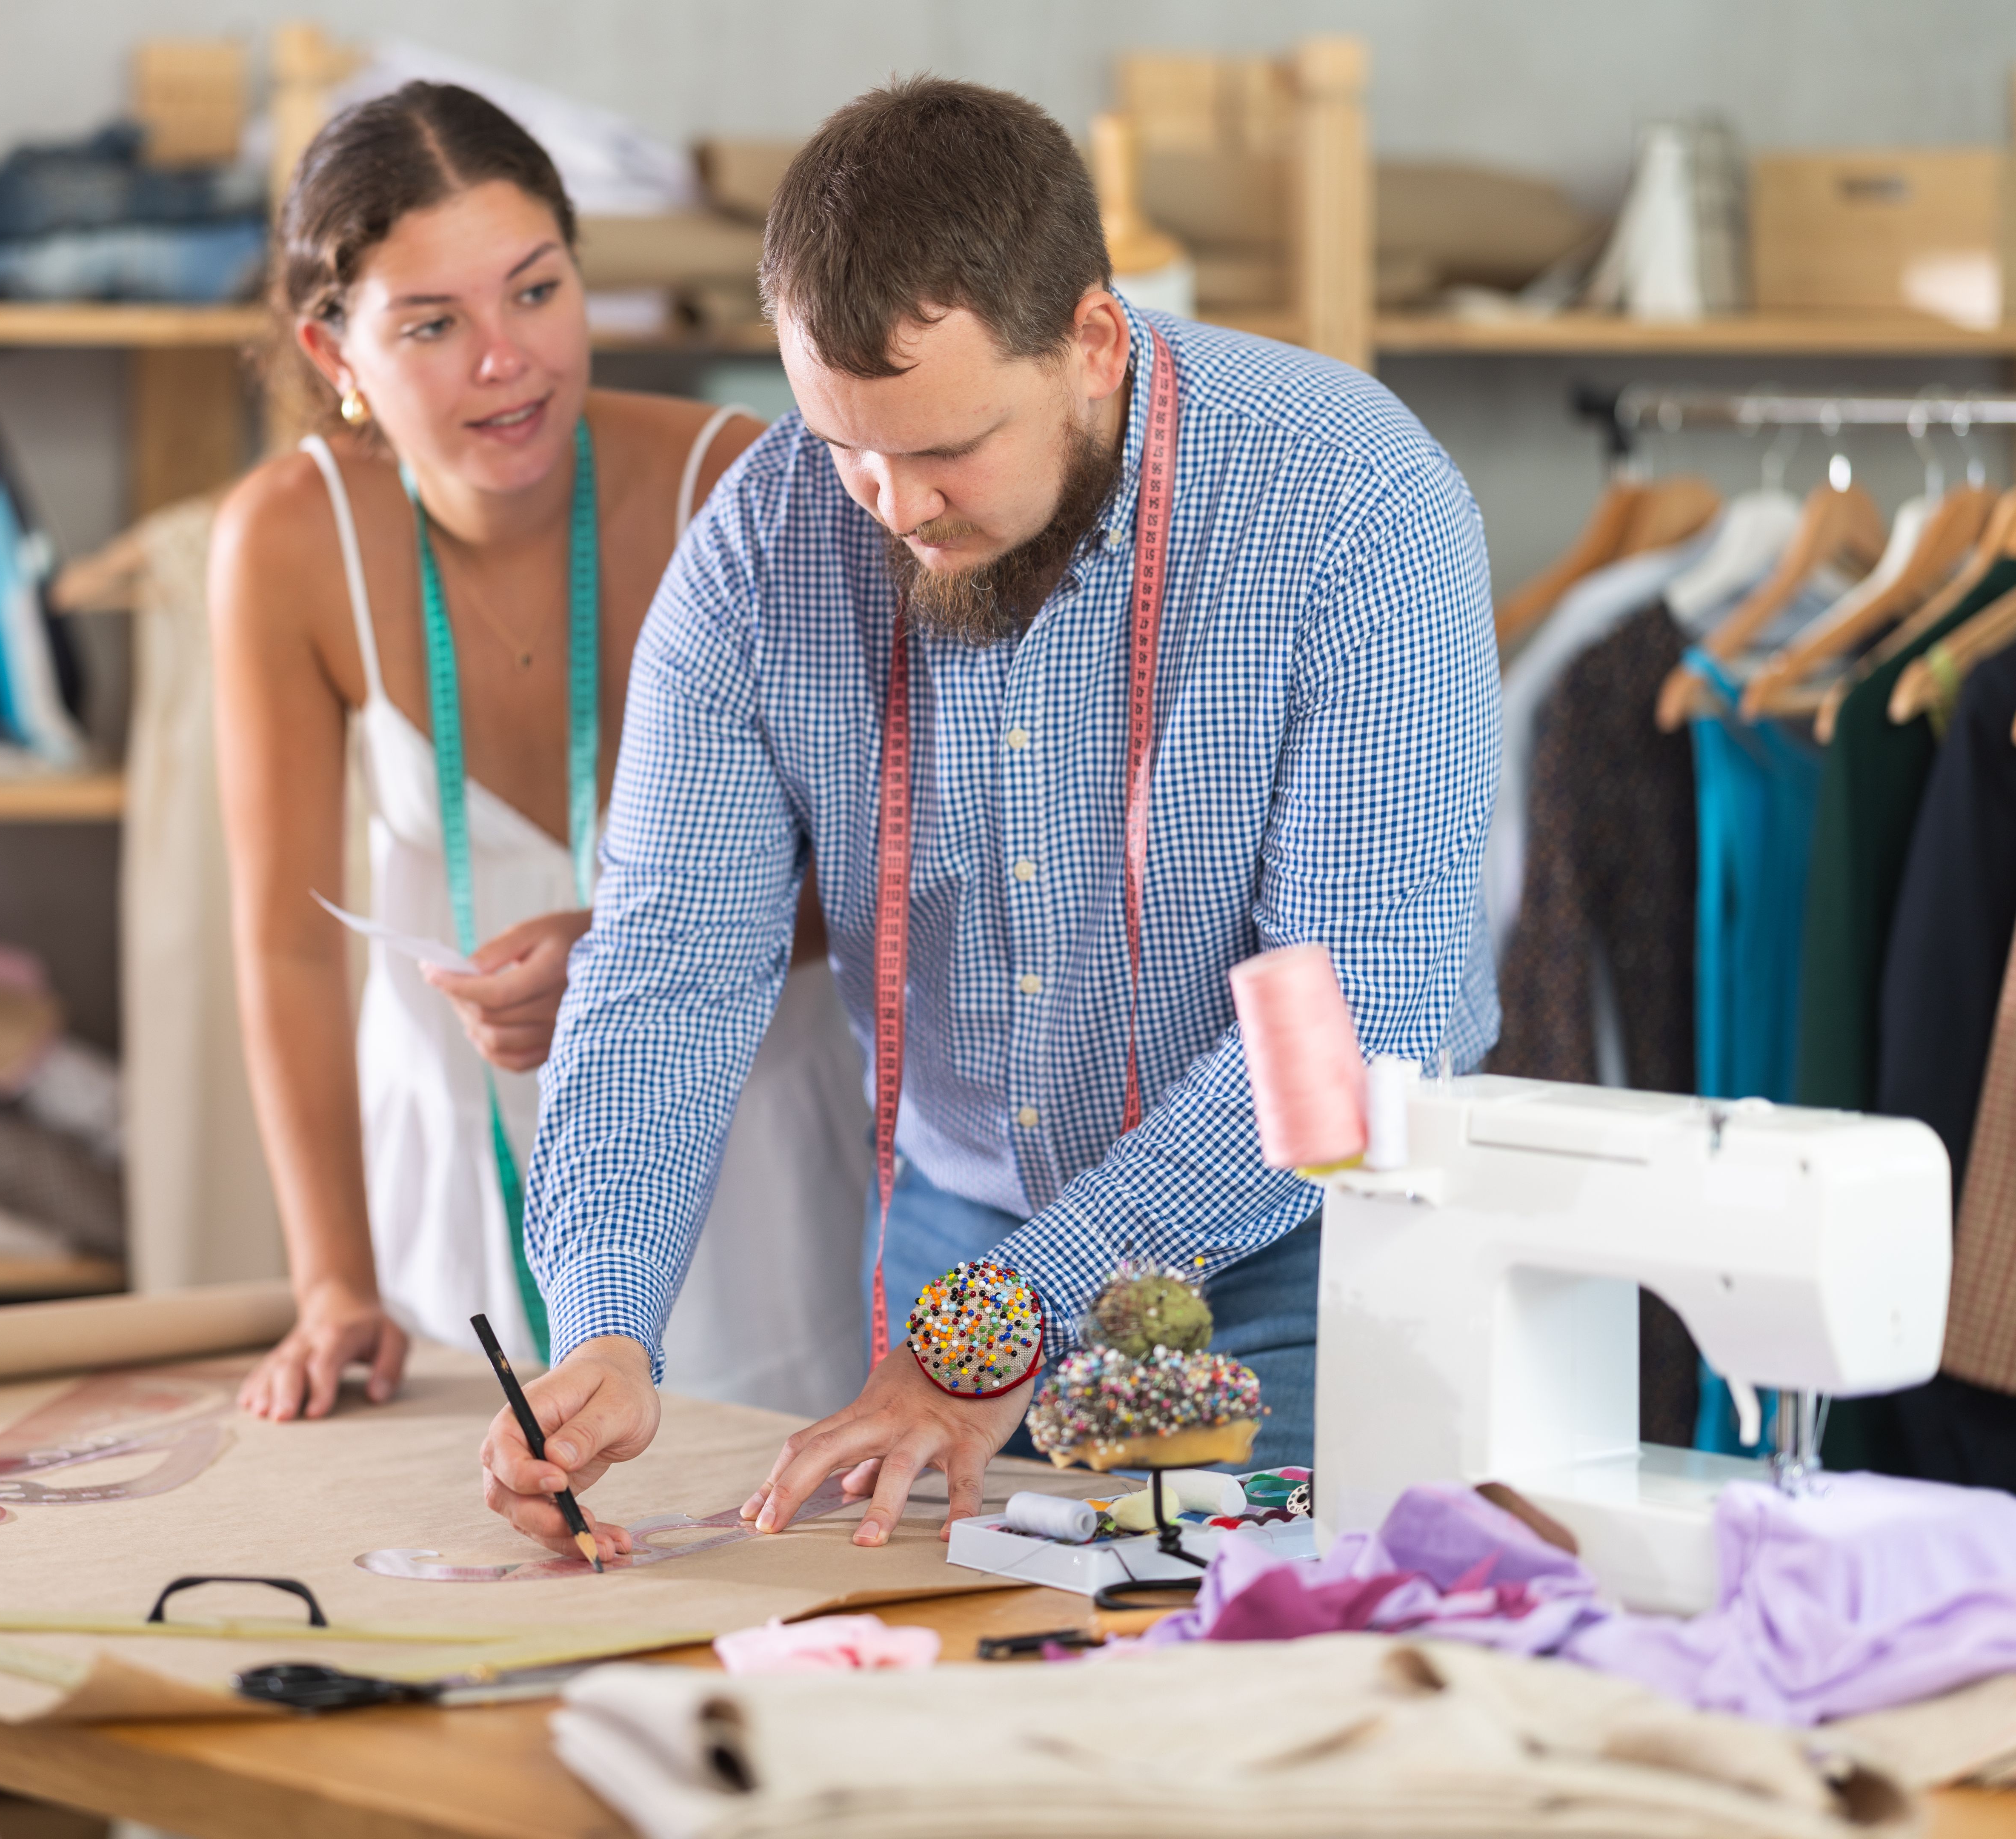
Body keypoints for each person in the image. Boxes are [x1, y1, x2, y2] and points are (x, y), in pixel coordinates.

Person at [479, 77, 1498, 1560]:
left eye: (948, 447)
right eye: (845, 442)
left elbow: (1348, 1033)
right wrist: (608, 1328)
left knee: (1223, 1693)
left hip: (1298, 1248)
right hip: (957, 1248)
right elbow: (668, 966)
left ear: (1091, 340)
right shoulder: (765, 544)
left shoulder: (1351, 507)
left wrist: (992, 1331)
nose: (891, 503)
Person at [209, 82, 870, 1424]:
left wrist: (647, 948)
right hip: (451, 1159)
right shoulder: (286, 542)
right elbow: (282, 943)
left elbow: (888, 871)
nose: (505, 360)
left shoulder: (737, 492)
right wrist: (333, 1279)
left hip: (737, 1142)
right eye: (432, 325)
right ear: (336, 356)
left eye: (536, 290)